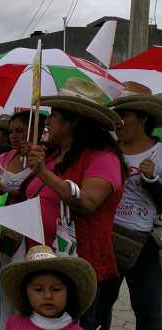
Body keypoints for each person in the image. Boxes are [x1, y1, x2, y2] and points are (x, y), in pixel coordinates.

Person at [23, 78, 126, 329]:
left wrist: (44, 173)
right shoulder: (52, 155)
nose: (46, 121)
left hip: (78, 269)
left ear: (74, 121)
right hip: (41, 262)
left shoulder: (104, 159)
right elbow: (29, 192)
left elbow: (87, 203)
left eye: (54, 115)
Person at [94, 82, 162, 330]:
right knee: (99, 308)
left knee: (150, 313)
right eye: (115, 116)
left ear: (143, 118)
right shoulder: (106, 152)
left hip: (145, 245)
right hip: (104, 239)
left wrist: (152, 181)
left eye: (123, 116)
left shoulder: (160, 153)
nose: (117, 122)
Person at [0, 111, 46, 328]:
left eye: (20, 131)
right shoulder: (3, 158)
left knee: (27, 284)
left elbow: (44, 194)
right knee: (5, 282)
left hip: (32, 231)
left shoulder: (45, 158)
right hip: (3, 230)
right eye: (11, 132)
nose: (14, 136)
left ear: (35, 131)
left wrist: (10, 192)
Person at [0, 245, 97, 330]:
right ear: (25, 292)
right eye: (38, 289)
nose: (48, 296)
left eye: (56, 289)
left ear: (69, 292)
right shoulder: (14, 324)